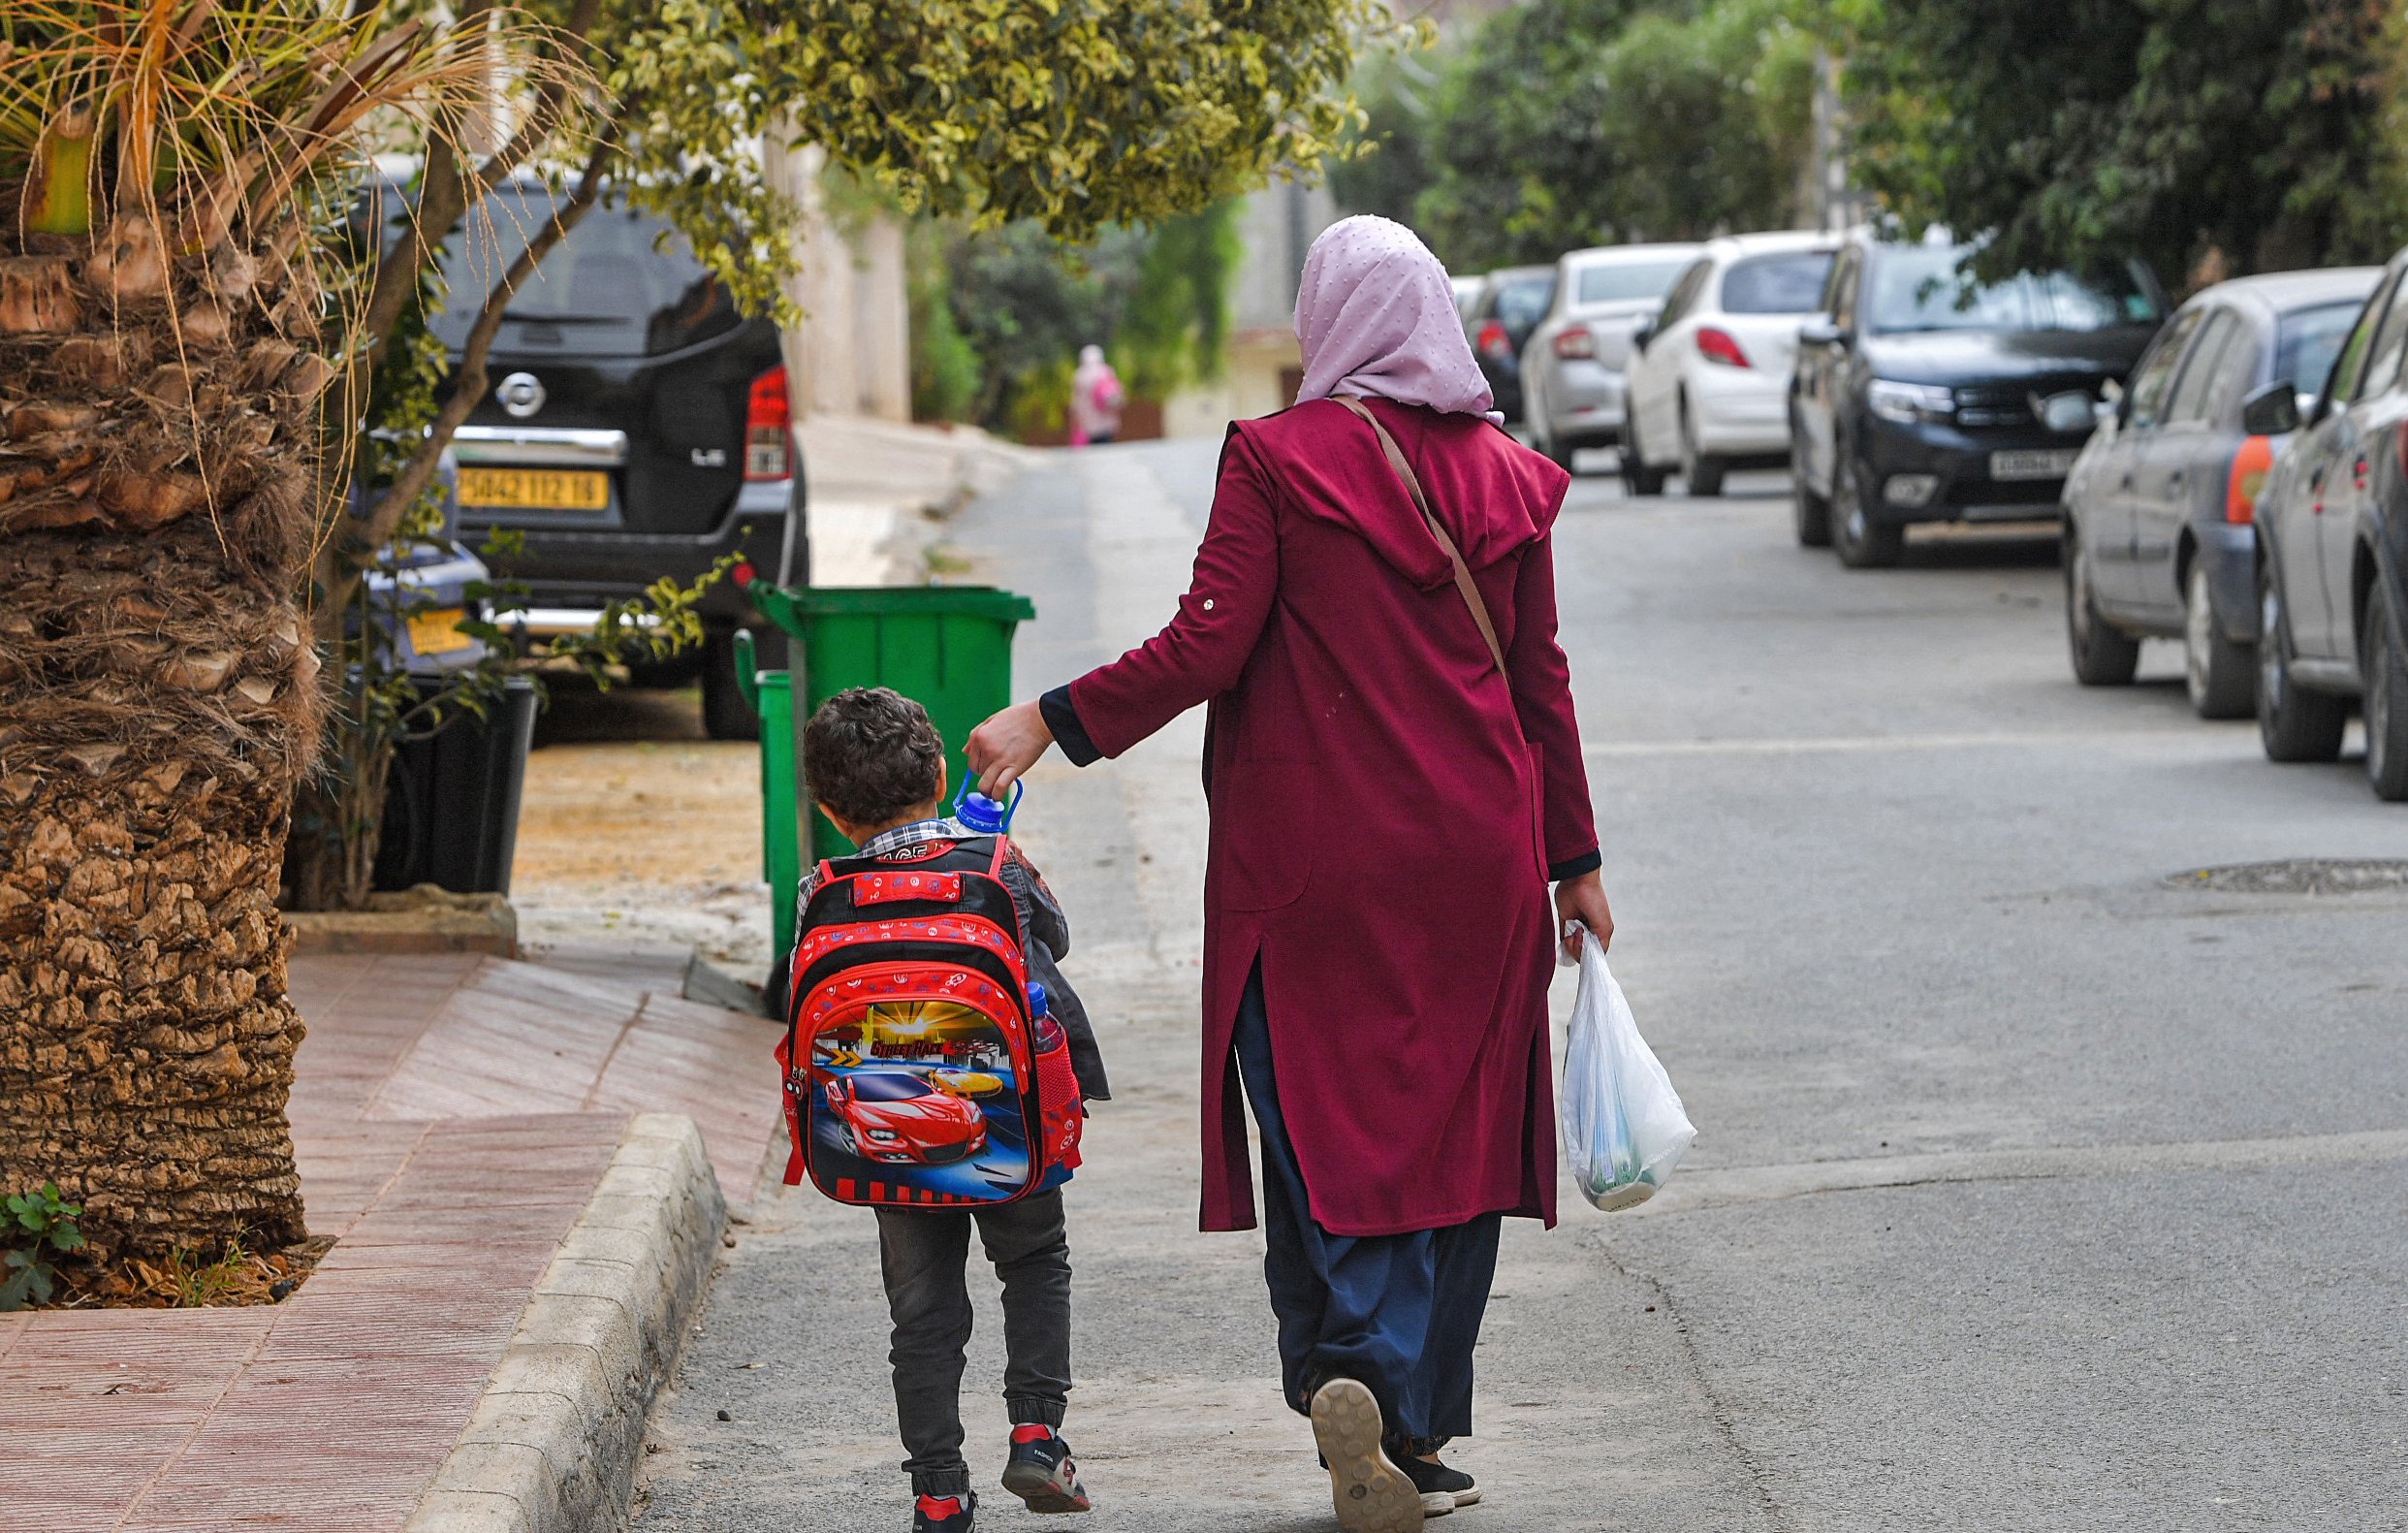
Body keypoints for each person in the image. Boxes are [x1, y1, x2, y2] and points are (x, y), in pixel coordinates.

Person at [965, 215, 1613, 1532]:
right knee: (1456, 1131)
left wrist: (1050, 718)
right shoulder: (1511, 479)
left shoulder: (1275, 459)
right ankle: (1407, 1425)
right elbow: (1539, 683)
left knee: (1325, 1115)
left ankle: (1350, 1372)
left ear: (1328, 320)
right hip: (1481, 857)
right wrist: (1577, 861)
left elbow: (1207, 645)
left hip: (1314, 862)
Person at [797, 687, 1111, 1533]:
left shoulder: (821, 891)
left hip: (885, 1139)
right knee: (1034, 1259)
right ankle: (1037, 1435)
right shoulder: (994, 863)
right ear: (939, 775)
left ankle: (937, 1491)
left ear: (830, 812)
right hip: (1007, 1125)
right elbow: (1055, 937)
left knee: (922, 1313)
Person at [1066, 343, 1125, 446]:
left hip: (1086, 422)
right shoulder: (1105, 371)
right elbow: (1115, 394)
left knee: (1091, 449)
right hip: (1105, 420)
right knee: (1105, 446)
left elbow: (1075, 401)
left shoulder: (1079, 375)